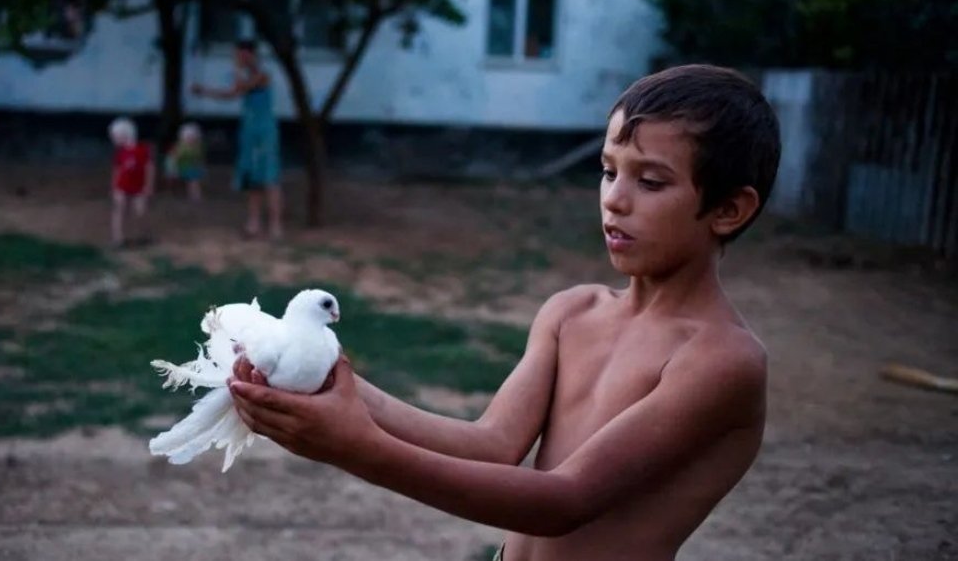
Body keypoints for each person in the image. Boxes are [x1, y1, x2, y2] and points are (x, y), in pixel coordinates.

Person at [228, 64, 782, 561]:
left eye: (651, 181)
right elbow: (490, 445)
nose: (615, 198)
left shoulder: (720, 360)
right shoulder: (572, 313)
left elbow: (565, 501)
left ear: (730, 209)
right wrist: (327, 378)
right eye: (609, 171)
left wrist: (357, 448)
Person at [192, 40, 284, 239]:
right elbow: (232, 94)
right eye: (237, 56)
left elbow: (241, 87)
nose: (238, 60)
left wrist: (236, 68)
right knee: (252, 179)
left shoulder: (263, 75)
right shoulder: (249, 76)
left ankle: (276, 226)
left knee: (270, 178)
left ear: (251, 54)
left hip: (265, 132)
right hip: (249, 131)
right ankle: (253, 224)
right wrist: (205, 92)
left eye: (241, 55)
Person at [108, 116, 153, 247]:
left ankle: (143, 235)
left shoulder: (143, 149)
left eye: (116, 136)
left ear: (125, 134)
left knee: (140, 211)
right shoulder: (120, 153)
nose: (114, 139)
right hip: (122, 186)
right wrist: (114, 186)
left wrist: (148, 185)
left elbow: (149, 168)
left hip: (139, 186)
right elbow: (117, 170)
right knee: (119, 211)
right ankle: (118, 238)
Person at [164, 121, 206, 201]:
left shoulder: (196, 146)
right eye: (188, 137)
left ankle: (195, 196)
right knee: (191, 183)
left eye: (192, 137)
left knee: (193, 182)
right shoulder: (183, 146)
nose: (191, 139)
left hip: (193, 167)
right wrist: (173, 165)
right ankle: (194, 195)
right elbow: (175, 156)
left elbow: (199, 157)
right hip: (186, 167)